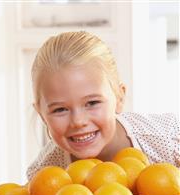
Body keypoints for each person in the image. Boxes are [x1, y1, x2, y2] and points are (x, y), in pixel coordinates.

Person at [27, 31, 179, 181]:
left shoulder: (169, 140)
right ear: (42, 114)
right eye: (60, 109)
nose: (78, 121)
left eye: (92, 103)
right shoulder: (45, 174)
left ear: (119, 98)